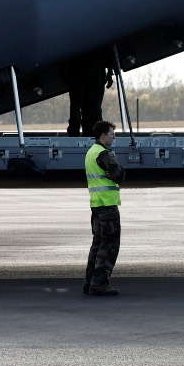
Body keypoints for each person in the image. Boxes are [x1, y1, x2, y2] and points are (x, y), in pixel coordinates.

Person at [83, 120, 124, 295]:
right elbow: (120, 175)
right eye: (112, 135)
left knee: (98, 244)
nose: (113, 138)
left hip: (96, 204)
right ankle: (100, 283)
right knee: (109, 245)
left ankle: (89, 282)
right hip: (107, 205)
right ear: (103, 136)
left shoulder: (91, 152)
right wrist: (115, 173)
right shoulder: (103, 153)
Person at [65, 50, 113, 137]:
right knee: (94, 107)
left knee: (77, 106)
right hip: (94, 70)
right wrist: (110, 73)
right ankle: (96, 133)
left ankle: (75, 133)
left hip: (77, 69)